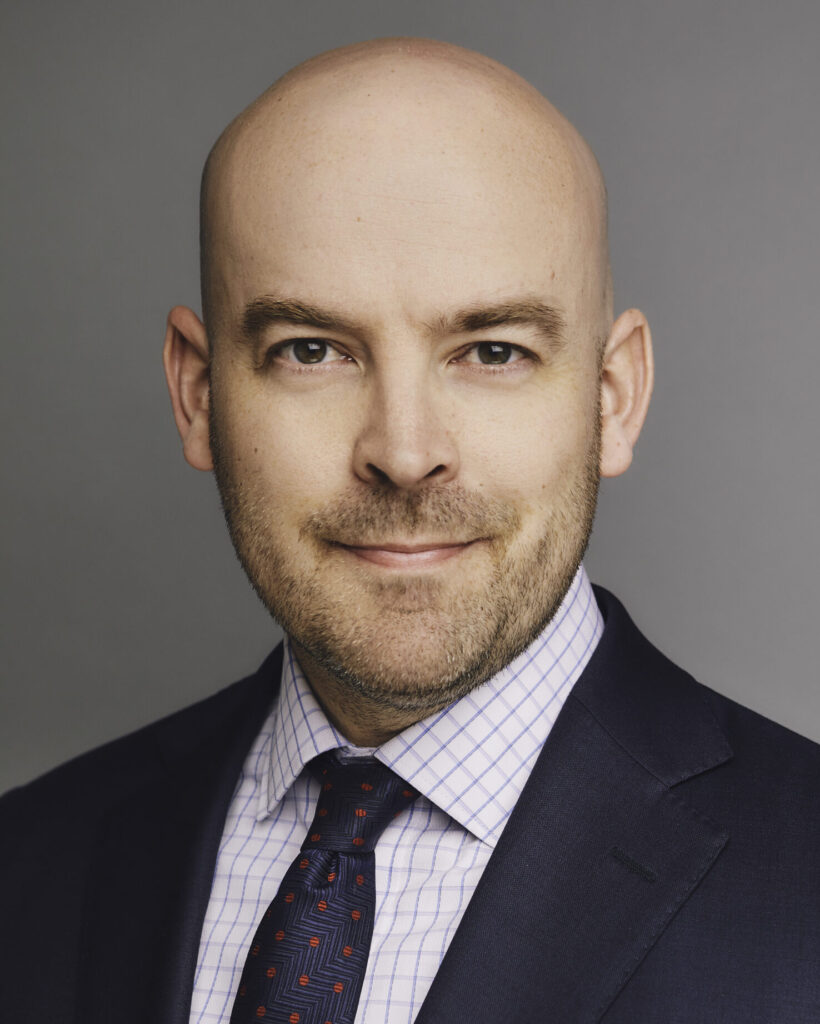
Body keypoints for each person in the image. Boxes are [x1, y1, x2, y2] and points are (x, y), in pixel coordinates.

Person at [1, 37, 818, 1024]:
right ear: (198, 393)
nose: (404, 450)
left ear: (612, 397)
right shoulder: (30, 863)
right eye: (311, 350)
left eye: (491, 351)